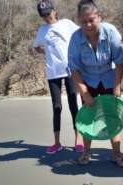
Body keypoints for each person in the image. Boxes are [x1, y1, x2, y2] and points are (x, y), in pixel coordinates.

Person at [68, 0, 123, 167]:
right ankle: (86, 152)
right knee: (89, 117)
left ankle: (116, 154)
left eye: (91, 20)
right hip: (88, 80)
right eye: (83, 21)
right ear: (79, 21)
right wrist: (85, 93)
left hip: (109, 78)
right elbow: (74, 69)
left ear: (99, 17)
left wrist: (117, 86)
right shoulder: (75, 38)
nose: (88, 25)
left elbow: (120, 61)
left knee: (113, 117)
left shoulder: (110, 32)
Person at [33, 0, 84, 154]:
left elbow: (81, 35)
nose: (47, 18)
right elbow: (36, 47)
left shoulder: (66, 24)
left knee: (73, 104)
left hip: (70, 71)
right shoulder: (42, 30)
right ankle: (57, 143)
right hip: (52, 72)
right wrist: (46, 54)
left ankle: (78, 139)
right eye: (44, 16)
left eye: (49, 14)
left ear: (54, 11)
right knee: (57, 107)